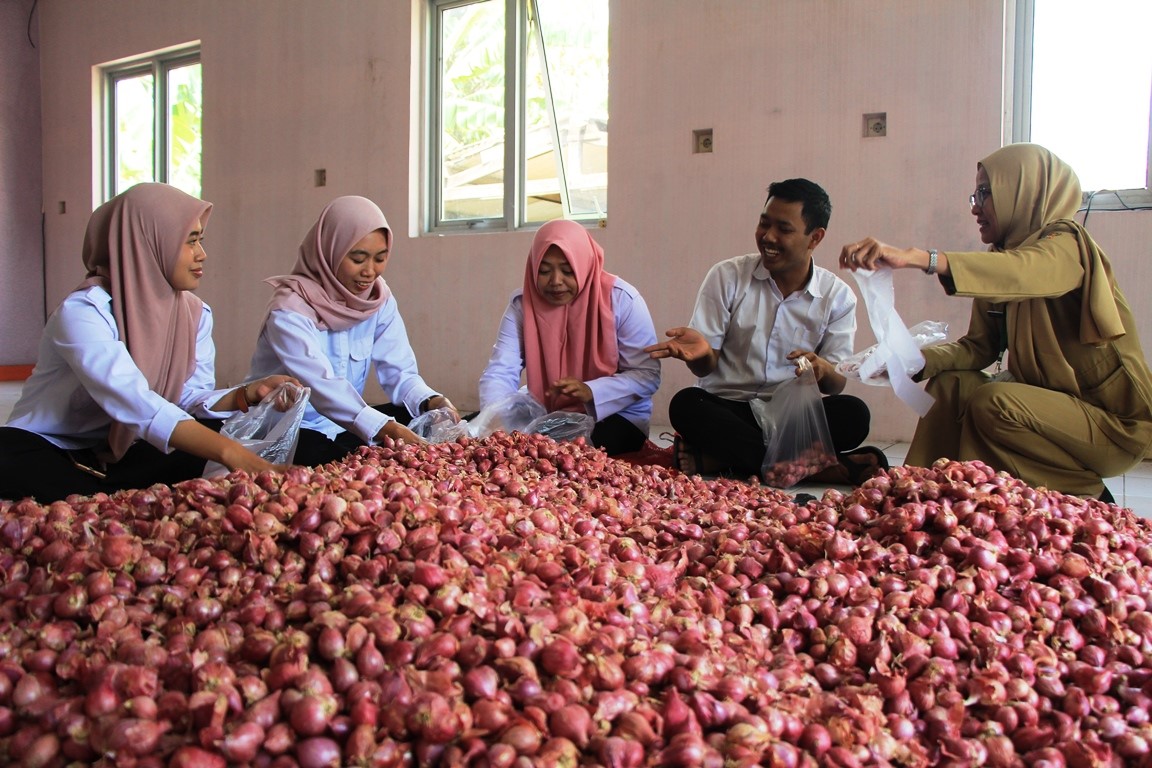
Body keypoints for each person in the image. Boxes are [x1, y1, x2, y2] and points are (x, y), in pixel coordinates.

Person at [838, 143, 1152, 502]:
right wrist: (907, 362)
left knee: (994, 401)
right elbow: (979, 347)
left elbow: (1024, 273)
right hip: (1052, 410)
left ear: (1026, 191)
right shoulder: (1002, 258)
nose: (975, 206)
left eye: (986, 193)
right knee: (952, 386)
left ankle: (1083, 494)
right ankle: (919, 497)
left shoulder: (1067, 244)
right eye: (975, 194)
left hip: (1114, 427)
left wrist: (918, 258)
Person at [0, 183, 296, 503]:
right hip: (50, 449)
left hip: (118, 453)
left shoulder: (194, 314)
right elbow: (138, 405)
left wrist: (246, 394)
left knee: (200, 450)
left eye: (201, 240)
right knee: (12, 468)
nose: (202, 254)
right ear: (146, 244)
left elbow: (183, 401)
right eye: (190, 241)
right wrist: (233, 454)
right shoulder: (84, 313)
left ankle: (109, 499)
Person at [645, 178, 887, 485]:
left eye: (783, 229)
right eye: (763, 224)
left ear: (815, 237)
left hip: (792, 419)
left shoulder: (837, 297)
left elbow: (836, 383)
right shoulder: (727, 276)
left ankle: (724, 459)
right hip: (730, 409)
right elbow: (707, 364)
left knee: (854, 414)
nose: (768, 237)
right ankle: (816, 467)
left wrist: (821, 368)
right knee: (687, 405)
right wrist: (702, 354)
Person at [247, 196, 456, 466]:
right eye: (358, 259)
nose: (370, 271)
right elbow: (323, 388)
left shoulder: (378, 299)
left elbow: (400, 370)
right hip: (291, 429)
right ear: (329, 251)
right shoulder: (289, 309)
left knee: (412, 417)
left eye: (380, 259)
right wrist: (389, 430)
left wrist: (432, 402)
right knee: (338, 456)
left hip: (344, 425)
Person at [478, 219, 660, 456]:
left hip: (615, 416)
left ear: (584, 264)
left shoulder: (622, 300)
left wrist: (591, 391)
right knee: (483, 429)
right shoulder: (523, 305)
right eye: (544, 271)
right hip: (546, 413)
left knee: (571, 451)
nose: (555, 281)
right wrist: (496, 418)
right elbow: (501, 370)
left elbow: (647, 375)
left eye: (567, 270)